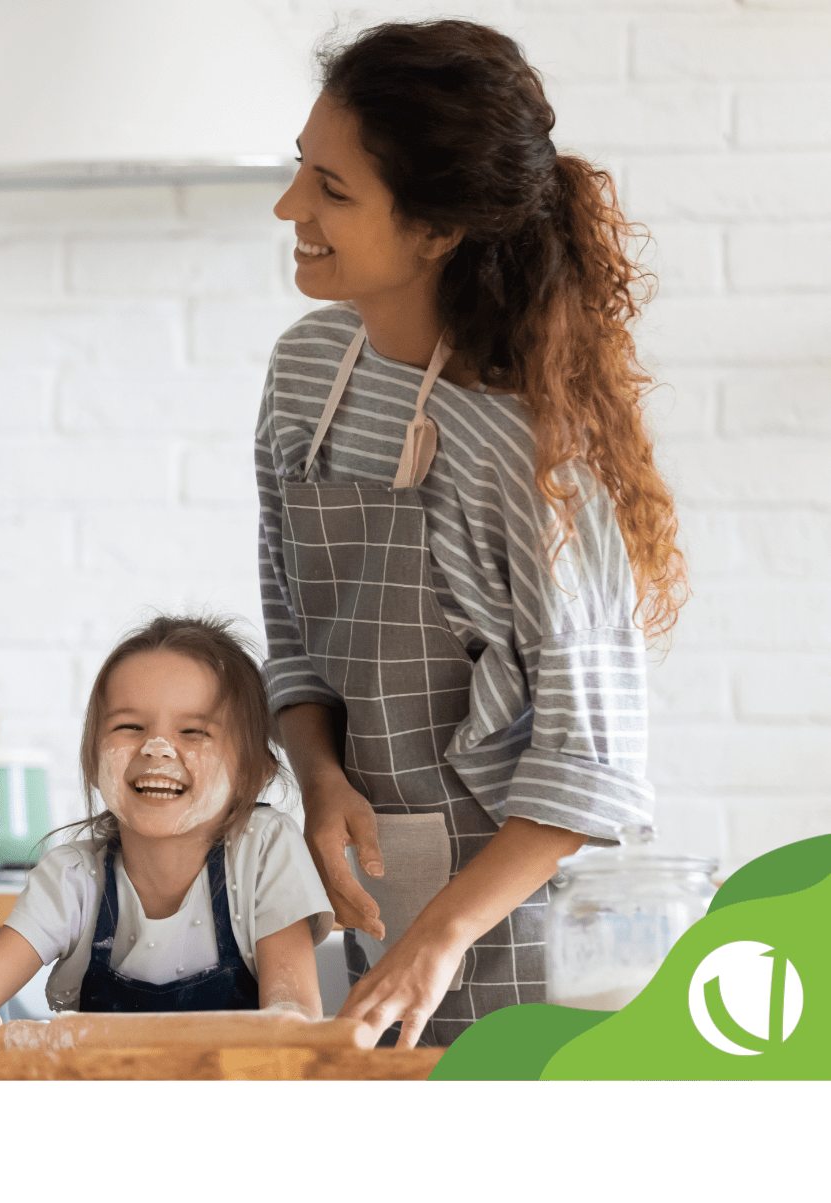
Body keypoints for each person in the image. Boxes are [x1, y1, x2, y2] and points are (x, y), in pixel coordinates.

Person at [257, 20, 688, 1048]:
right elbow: (294, 633)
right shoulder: (306, 370)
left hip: (537, 937)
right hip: (386, 901)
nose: (290, 208)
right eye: (300, 171)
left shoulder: (527, 448)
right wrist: (319, 780)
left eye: (333, 188)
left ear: (437, 230)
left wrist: (440, 937)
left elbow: (589, 761)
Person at [0, 615, 333, 1053]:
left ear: (255, 771)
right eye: (129, 727)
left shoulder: (265, 851)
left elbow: (293, 1023)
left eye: (194, 732)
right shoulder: (75, 877)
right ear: (91, 751)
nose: (157, 748)